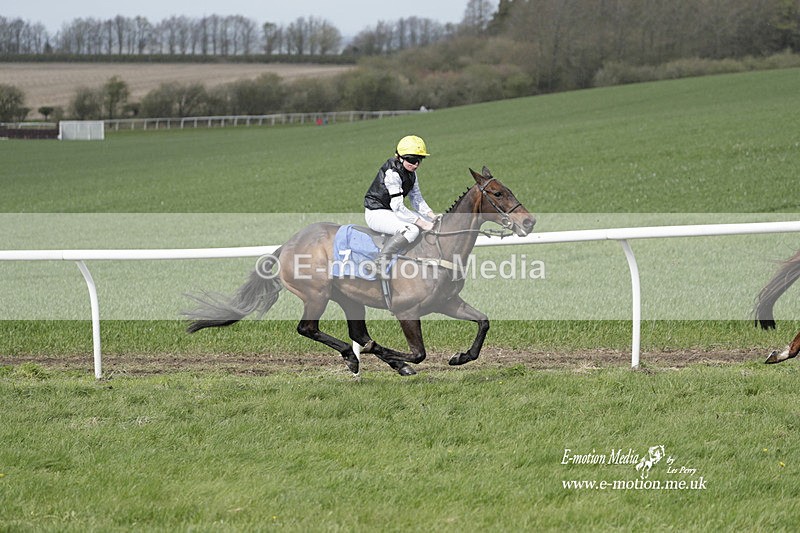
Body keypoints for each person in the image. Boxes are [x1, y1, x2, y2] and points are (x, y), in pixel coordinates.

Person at [364, 135, 438, 270]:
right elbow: (397, 207)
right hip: (376, 213)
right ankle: (379, 263)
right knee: (412, 230)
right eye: (412, 160)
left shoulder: (411, 173)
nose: (416, 164)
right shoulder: (392, 173)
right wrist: (421, 223)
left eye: (419, 160)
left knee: (431, 223)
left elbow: (417, 199)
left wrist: (432, 216)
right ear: (400, 157)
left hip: (390, 211)